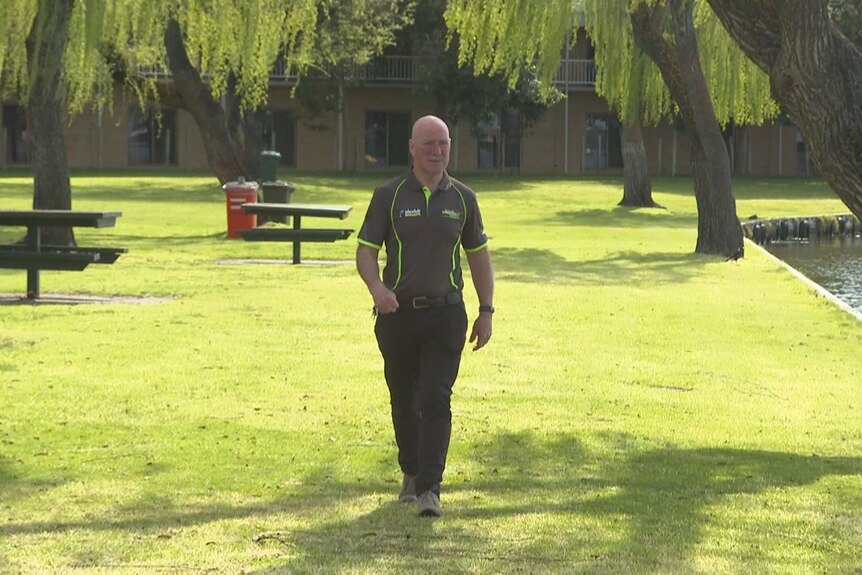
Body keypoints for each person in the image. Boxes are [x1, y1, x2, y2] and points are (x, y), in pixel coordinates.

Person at [356, 115, 494, 518]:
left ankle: (430, 488)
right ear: (412, 148)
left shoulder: (463, 198)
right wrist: (377, 290)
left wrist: (486, 311)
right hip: (398, 315)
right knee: (404, 397)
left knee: (436, 396)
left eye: (444, 144)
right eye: (429, 144)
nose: (437, 152)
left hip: (446, 314)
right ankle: (411, 472)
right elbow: (365, 251)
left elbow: (479, 257)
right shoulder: (389, 195)